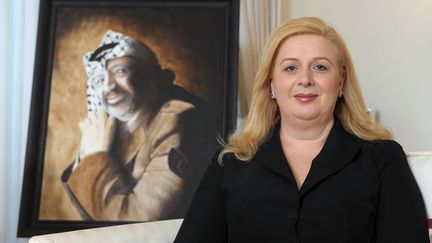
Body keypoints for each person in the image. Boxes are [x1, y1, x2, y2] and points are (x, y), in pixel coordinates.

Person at [174, 17, 429, 242]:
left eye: (320, 67)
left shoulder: (383, 158)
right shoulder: (231, 162)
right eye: (290, 68)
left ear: (340, 82)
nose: (305, 79)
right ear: (271, 84)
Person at [61, 30, 216, 221]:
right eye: (99, 80)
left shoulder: (178, 117)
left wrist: (95, 158)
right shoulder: (112, 132)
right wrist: (88, 154)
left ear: (151, 78)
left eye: (120, 71)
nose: (109, 87)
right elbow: (91, 215)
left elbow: (136, 218)